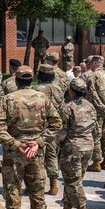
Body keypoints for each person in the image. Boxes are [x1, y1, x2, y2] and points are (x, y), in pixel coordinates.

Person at [0, 65, 62, 209]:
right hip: (36, 153)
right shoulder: (43, 98)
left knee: (12, 194)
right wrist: (39, 142)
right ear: (32, 80)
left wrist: (16, 144)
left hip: (14, 153)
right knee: (37, 194)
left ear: (16, 80)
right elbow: (56, 124)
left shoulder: (8, 99)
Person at [58, 78, 98, 209]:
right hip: (88, 145)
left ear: (71, 91)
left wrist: (57, 144)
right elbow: (95, 128)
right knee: (73, 180)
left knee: (73, 181)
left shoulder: (67, 108)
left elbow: (61, 130)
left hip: (72, 147)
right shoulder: (90, 106)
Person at [34, 64, 66, 195]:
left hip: (40, 126)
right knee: (52, 155)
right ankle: (54, 185)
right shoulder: (58, 89)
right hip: (54, 126)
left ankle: (38, 185)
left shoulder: (36, 89)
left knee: (38, 157)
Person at [85, 56, 105, 172]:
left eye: (91, 63)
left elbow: (92, 94)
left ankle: (96, 162)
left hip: (97, 111)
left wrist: (100, 107)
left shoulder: (92, 76)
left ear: (94, 63)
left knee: (96, 136)